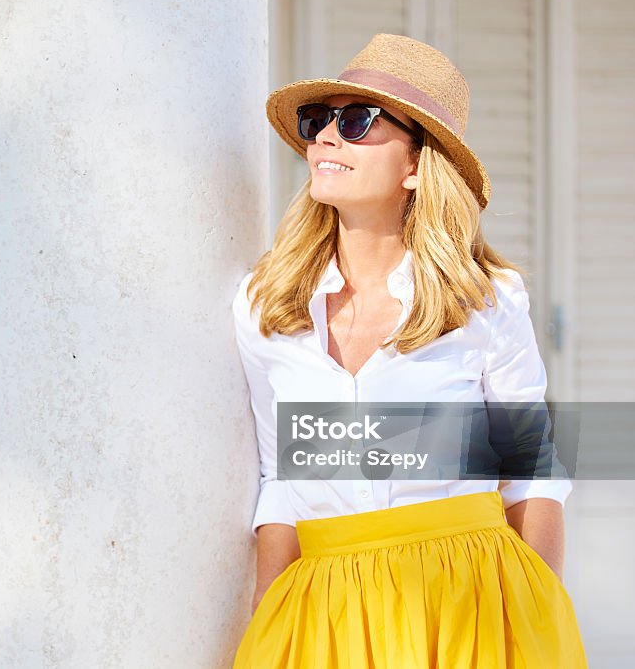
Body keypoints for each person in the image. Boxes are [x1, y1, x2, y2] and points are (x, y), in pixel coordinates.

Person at [230, 33, 588, 668]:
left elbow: (529, 472)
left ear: (418, 166)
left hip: (468, 599)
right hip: (327, 605)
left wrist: (538, 617)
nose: (326, 139)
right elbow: (281, 480)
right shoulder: (265, 305)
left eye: (357, 121)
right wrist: (267, 618)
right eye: (318, 121)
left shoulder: (486, 299)